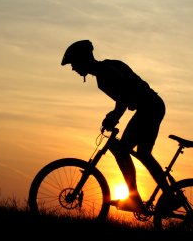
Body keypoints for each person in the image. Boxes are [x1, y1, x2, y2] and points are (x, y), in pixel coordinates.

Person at [61, 40, 166, 214]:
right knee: (139, 153)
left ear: (83, 59)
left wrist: (115, 116)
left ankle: (143, 198)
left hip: (150, 106)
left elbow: (125, 92)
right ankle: (153, 196)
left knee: (131, 152)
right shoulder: (101, 80)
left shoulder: (107, 69)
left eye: (74, 63)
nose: (73, 68)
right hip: (147, 108)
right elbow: (122, 99)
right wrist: (113, 115)